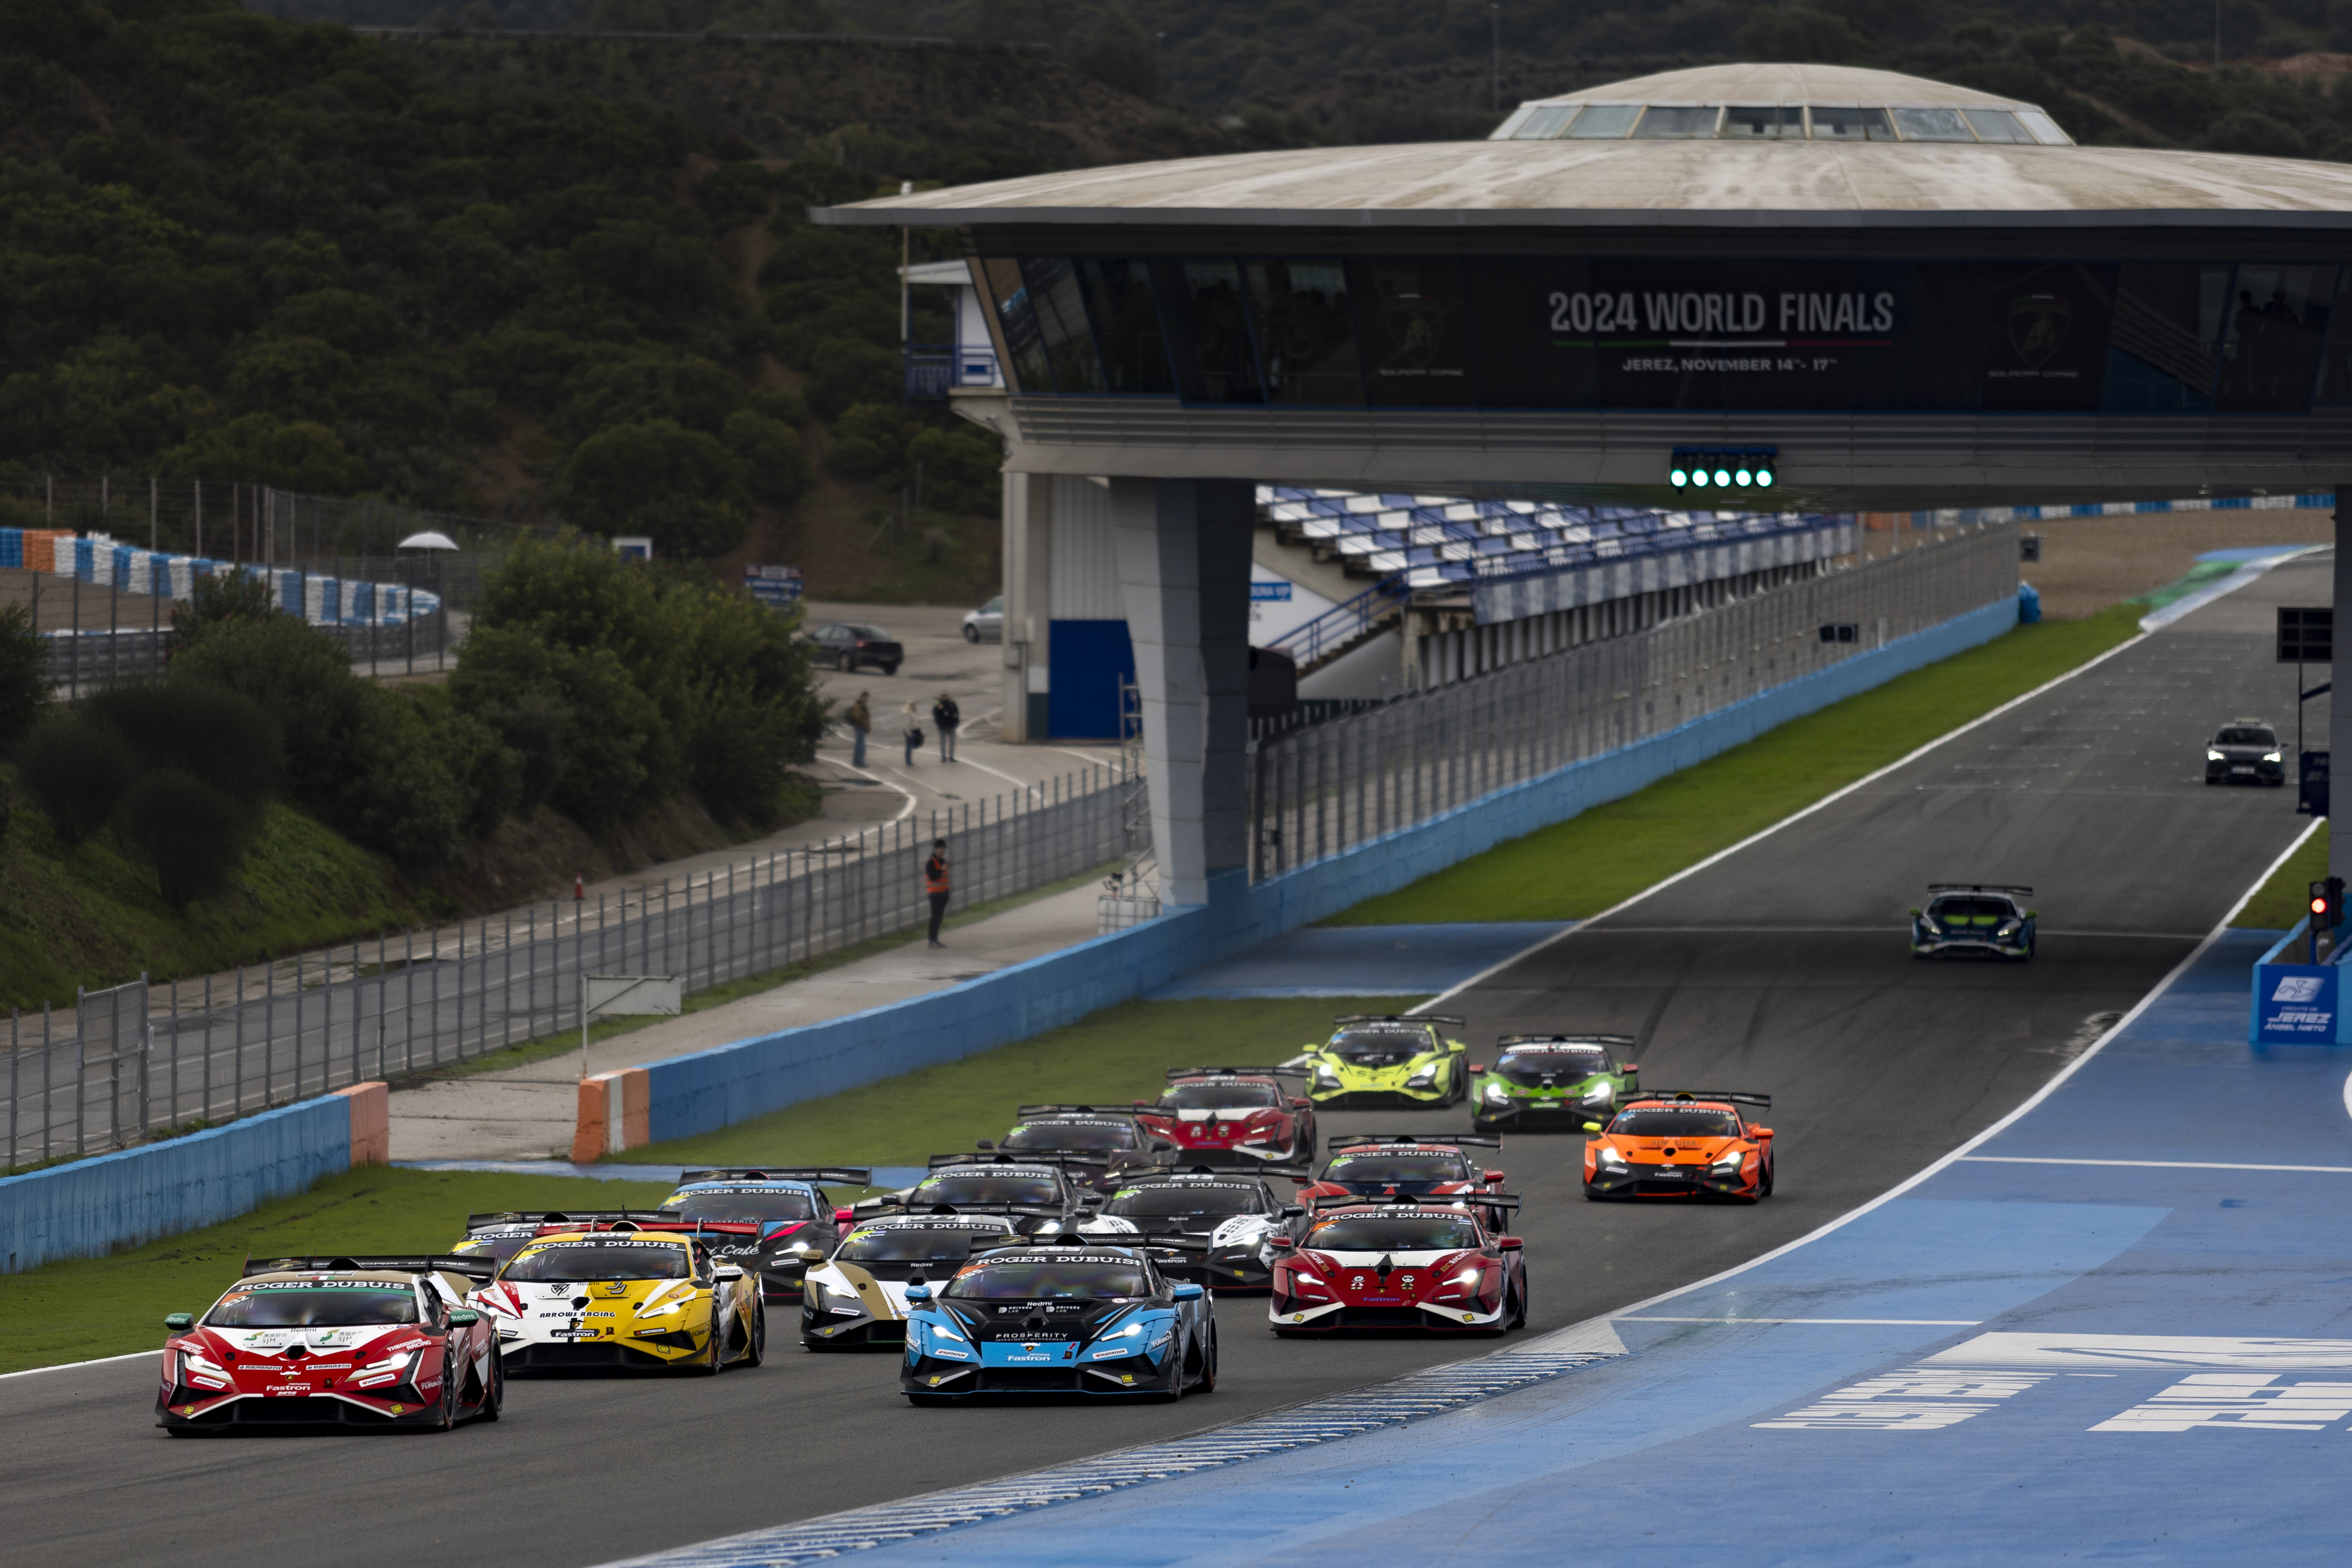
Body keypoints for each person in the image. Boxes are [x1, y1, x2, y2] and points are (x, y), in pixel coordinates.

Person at [924, 838, 950, 947]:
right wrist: (942, 870)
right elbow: (933, 877)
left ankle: (935, 940)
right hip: (934, 894)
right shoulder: (931, 863)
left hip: (943, 894)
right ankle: (932, 940)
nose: (942, 851)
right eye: (940, 848)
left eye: (944, 849)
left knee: (939, 918)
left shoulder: (943, 862)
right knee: (935, 918)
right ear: (936, 849)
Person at [933, 690, 961, 762]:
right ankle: (943, 757)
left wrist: (955, 717)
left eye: (945, 696)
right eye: (943, 696)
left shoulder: (952, 703)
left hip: (952, 725)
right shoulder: (938, 704)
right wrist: (938, 710)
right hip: (943, 726)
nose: (944, 697)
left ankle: (951, 757)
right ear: (941, 697)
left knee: (952, 742)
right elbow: (935, 714)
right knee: (943, 743)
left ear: (948, 696)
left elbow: (956, 712)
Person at [846, 691, 871, 768]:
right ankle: (859, 762)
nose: (866, 699)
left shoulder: (862, 705)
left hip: (861, 728)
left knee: (859, 745)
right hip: (860, 727)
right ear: (862, 697)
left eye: (867, 698)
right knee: (860, 746)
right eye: (865, 697)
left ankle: (857, 762)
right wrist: (863, 724)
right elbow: (857, 716)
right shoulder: (859, 706)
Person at [902, 698, 923, 766]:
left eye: (914, 705)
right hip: (910, 731)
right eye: (911, 705)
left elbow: (917, 723)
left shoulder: (914, 713)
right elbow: (905, 724)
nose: (913, 706)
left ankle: (909, 761)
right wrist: (908, 733)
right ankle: (908, 762)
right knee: (909, 747)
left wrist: (920, 731)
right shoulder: (907, 713)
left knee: (912, 746)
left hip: (915, 731)